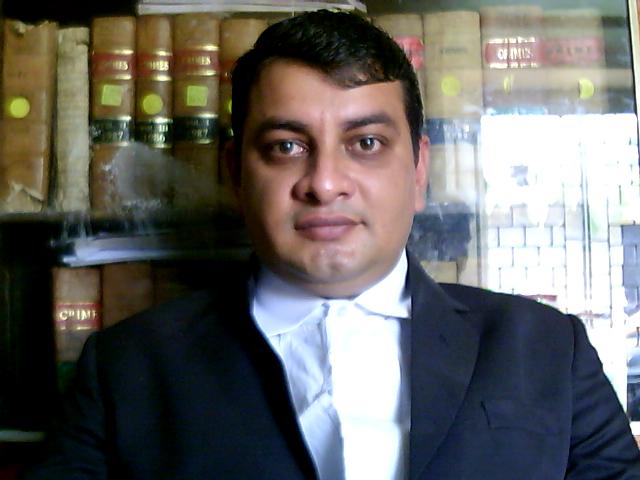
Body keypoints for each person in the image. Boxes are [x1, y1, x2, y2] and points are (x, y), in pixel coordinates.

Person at [26, 9, 640, 480]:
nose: (324, 183)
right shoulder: (126, 370)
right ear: (235, 174)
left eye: (366, 143)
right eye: (286, 146)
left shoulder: (548, 351)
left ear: (419, 170)